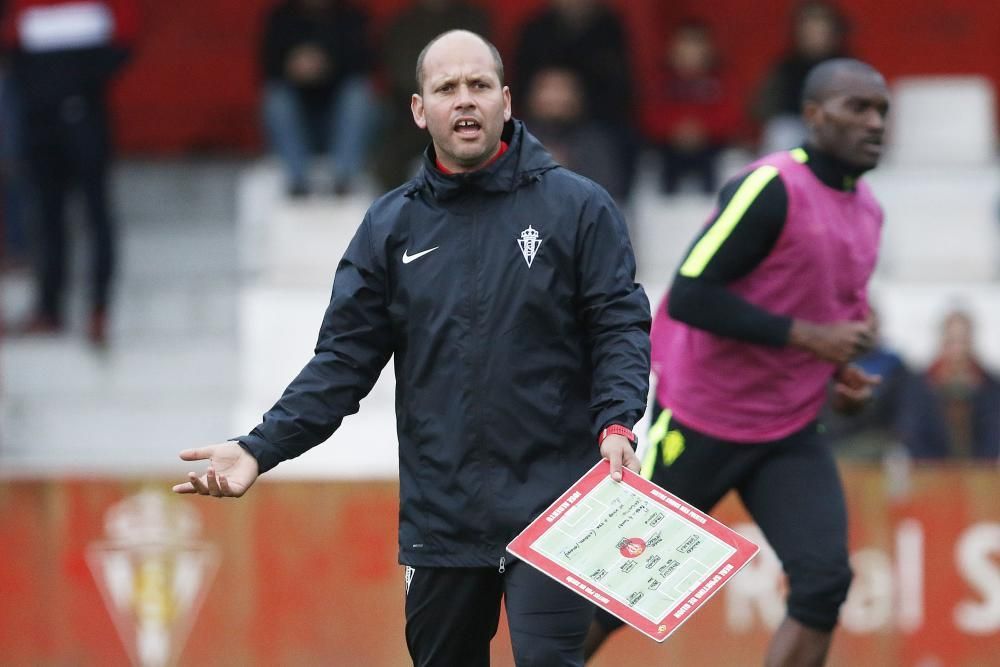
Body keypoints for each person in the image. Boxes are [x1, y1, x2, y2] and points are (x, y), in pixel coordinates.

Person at [174, 29, 651, 666]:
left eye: (479, 86)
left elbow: (619, 323)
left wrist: (618, 420)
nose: (465, 101)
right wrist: (259, 448)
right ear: (419, 110)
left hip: (556, 505)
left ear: (506, 101)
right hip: (443, 519)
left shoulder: (579, 206)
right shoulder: (389, 226)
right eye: (447, 88)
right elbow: (342, 365)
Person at [586, 58, 890, 667]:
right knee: (616, 596)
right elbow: (693, 292)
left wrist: (841, 377)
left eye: (882, 110)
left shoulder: (869, 212)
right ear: (812, 115)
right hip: (701, 418)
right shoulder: (771, 186)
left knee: (825, 583)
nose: (875, 122)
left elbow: (833, 319)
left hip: (788, 429)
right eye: (858, 107)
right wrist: (809, 339)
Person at [2, 0, 137, 344]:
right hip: (38, 121)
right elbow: (12, 42)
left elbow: (125, 40)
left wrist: (77, 85)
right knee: (47, 216)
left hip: (85, 117)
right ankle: (49, 308)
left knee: (96, 214)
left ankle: (99, 309)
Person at [513, 0, 637, 197]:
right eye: (550, 89)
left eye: (563, 89)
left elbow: (620, 88)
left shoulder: (609, 29)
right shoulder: (515, 143)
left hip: (595, 122)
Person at [260, 0, 377, 197]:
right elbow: (268, 68)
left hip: (342, 125)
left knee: (359, 94)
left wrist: (325, 66)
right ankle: (298, 181)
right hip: (298, 123)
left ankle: (343, 178)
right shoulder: (280, 18)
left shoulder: (351, 17)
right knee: (276, 98)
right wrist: (293, 67)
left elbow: (366, 64)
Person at [373, 0, 490, 191]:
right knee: (388, 160)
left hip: (465, 109)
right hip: (414, 113)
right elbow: (400, 74)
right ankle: (401, 216)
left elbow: (480, 66)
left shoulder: (473, 19)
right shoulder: (403, 23)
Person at [642, 18, 740, 195]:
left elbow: (731, 115)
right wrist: (676, 130)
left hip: (712, 145)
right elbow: (650, 114)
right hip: (668, 145)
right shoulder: (661, 81)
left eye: (696, 45)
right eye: (684, 45)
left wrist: (702, 130)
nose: (690, 52)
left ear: (709, 50)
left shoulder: (721, 80)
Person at [750, 0, 849, 154]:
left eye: (820, 24)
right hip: (794, 127)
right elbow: (762, 108)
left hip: (834, 129)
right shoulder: (785, 67)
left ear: (833, 30)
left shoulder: (848, 66)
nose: (814, 31)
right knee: (781, 132)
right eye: (809, 25)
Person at [902, 309, 1000, 460]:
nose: (958, 350)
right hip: (931, 474)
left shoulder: (990, 386)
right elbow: (912, 433)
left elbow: (994, 435)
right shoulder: (921, 385)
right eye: (953, 341)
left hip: (979, 474)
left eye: (963, 341)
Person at [522, 67, 625, 203]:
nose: (555, 98)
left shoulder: (595, 142)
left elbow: (607, 193)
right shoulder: (515, 140)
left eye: (562, 90)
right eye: (548, 89)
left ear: (578, 97)